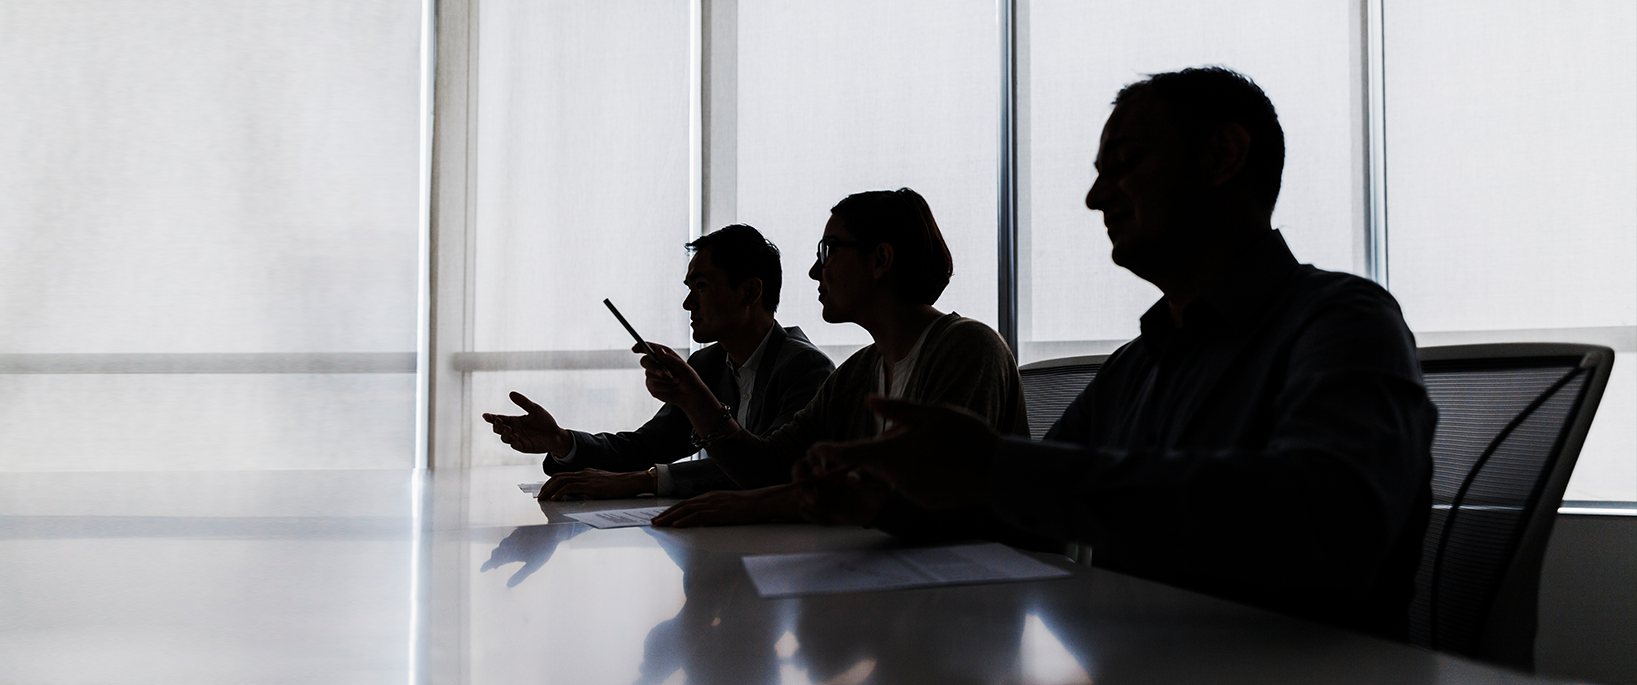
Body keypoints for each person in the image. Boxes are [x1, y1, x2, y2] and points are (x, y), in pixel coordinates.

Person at [803, 67, 1437, 640]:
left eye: (1124, 163)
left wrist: (999, 469)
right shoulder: (1140, 364)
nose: (1095, 197)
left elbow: (1332, 520)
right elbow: (1025, 514)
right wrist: (887, 504)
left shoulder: (1344, 320)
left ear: (1222, 155)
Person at [633, 189, 1039, 546]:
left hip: (980, 596)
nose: (814, 271)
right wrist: (693, 397)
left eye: (828, 250)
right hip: (903, 582)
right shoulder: (858, 373)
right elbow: (769, 468)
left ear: (880, 259)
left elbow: (932, 498)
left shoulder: (969, 348)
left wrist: (757, 504)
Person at [482, 225, 834, 500]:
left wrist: (643, 481)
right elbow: (646, 447)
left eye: (701, 285)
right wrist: (561, 441)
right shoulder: (709, 364)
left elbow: (768, 470)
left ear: (750, 292)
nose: (687, 304)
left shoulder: (805, 368)